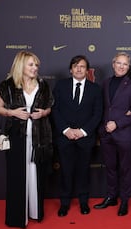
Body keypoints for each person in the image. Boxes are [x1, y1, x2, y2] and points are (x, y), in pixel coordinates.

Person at [0, 51, 54, 228]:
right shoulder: (7, 85)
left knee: (36, 173)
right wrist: (13, 112)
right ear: (21, 65)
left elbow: (49, 107)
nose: (35, 68)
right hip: (16, 136)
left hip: (39, 136)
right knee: (17, 175)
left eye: (36, 65)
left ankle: (35, 212)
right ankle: (17, 217)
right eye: (31, 65)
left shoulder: (43, 85)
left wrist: (43, 113)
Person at [52, 55, 103, 217]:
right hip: (64, 138)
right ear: (71, 69)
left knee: (83, 172)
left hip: (85, 138)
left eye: (82, 66)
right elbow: (55, 110)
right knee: (65, 171)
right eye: (75, 66)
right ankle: (64, 203)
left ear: (87, 71)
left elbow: (97, 114)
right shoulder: (60, 86)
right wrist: (66, 130)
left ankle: (83, 202)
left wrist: (83, 131)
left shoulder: (95, 89)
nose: (79, 69)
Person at [93, 52, 131, 216]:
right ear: (113, 64)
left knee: (125, 169)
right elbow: (104, 108)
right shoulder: (106, 83)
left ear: (128, 67)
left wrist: (118, 123)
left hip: (123, 135)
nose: (121, 66)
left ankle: (125, 201)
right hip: (106, 135)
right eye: (119, 63)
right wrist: (103, 128)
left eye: (125, 64)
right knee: (110, 168)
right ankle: (111, 197)